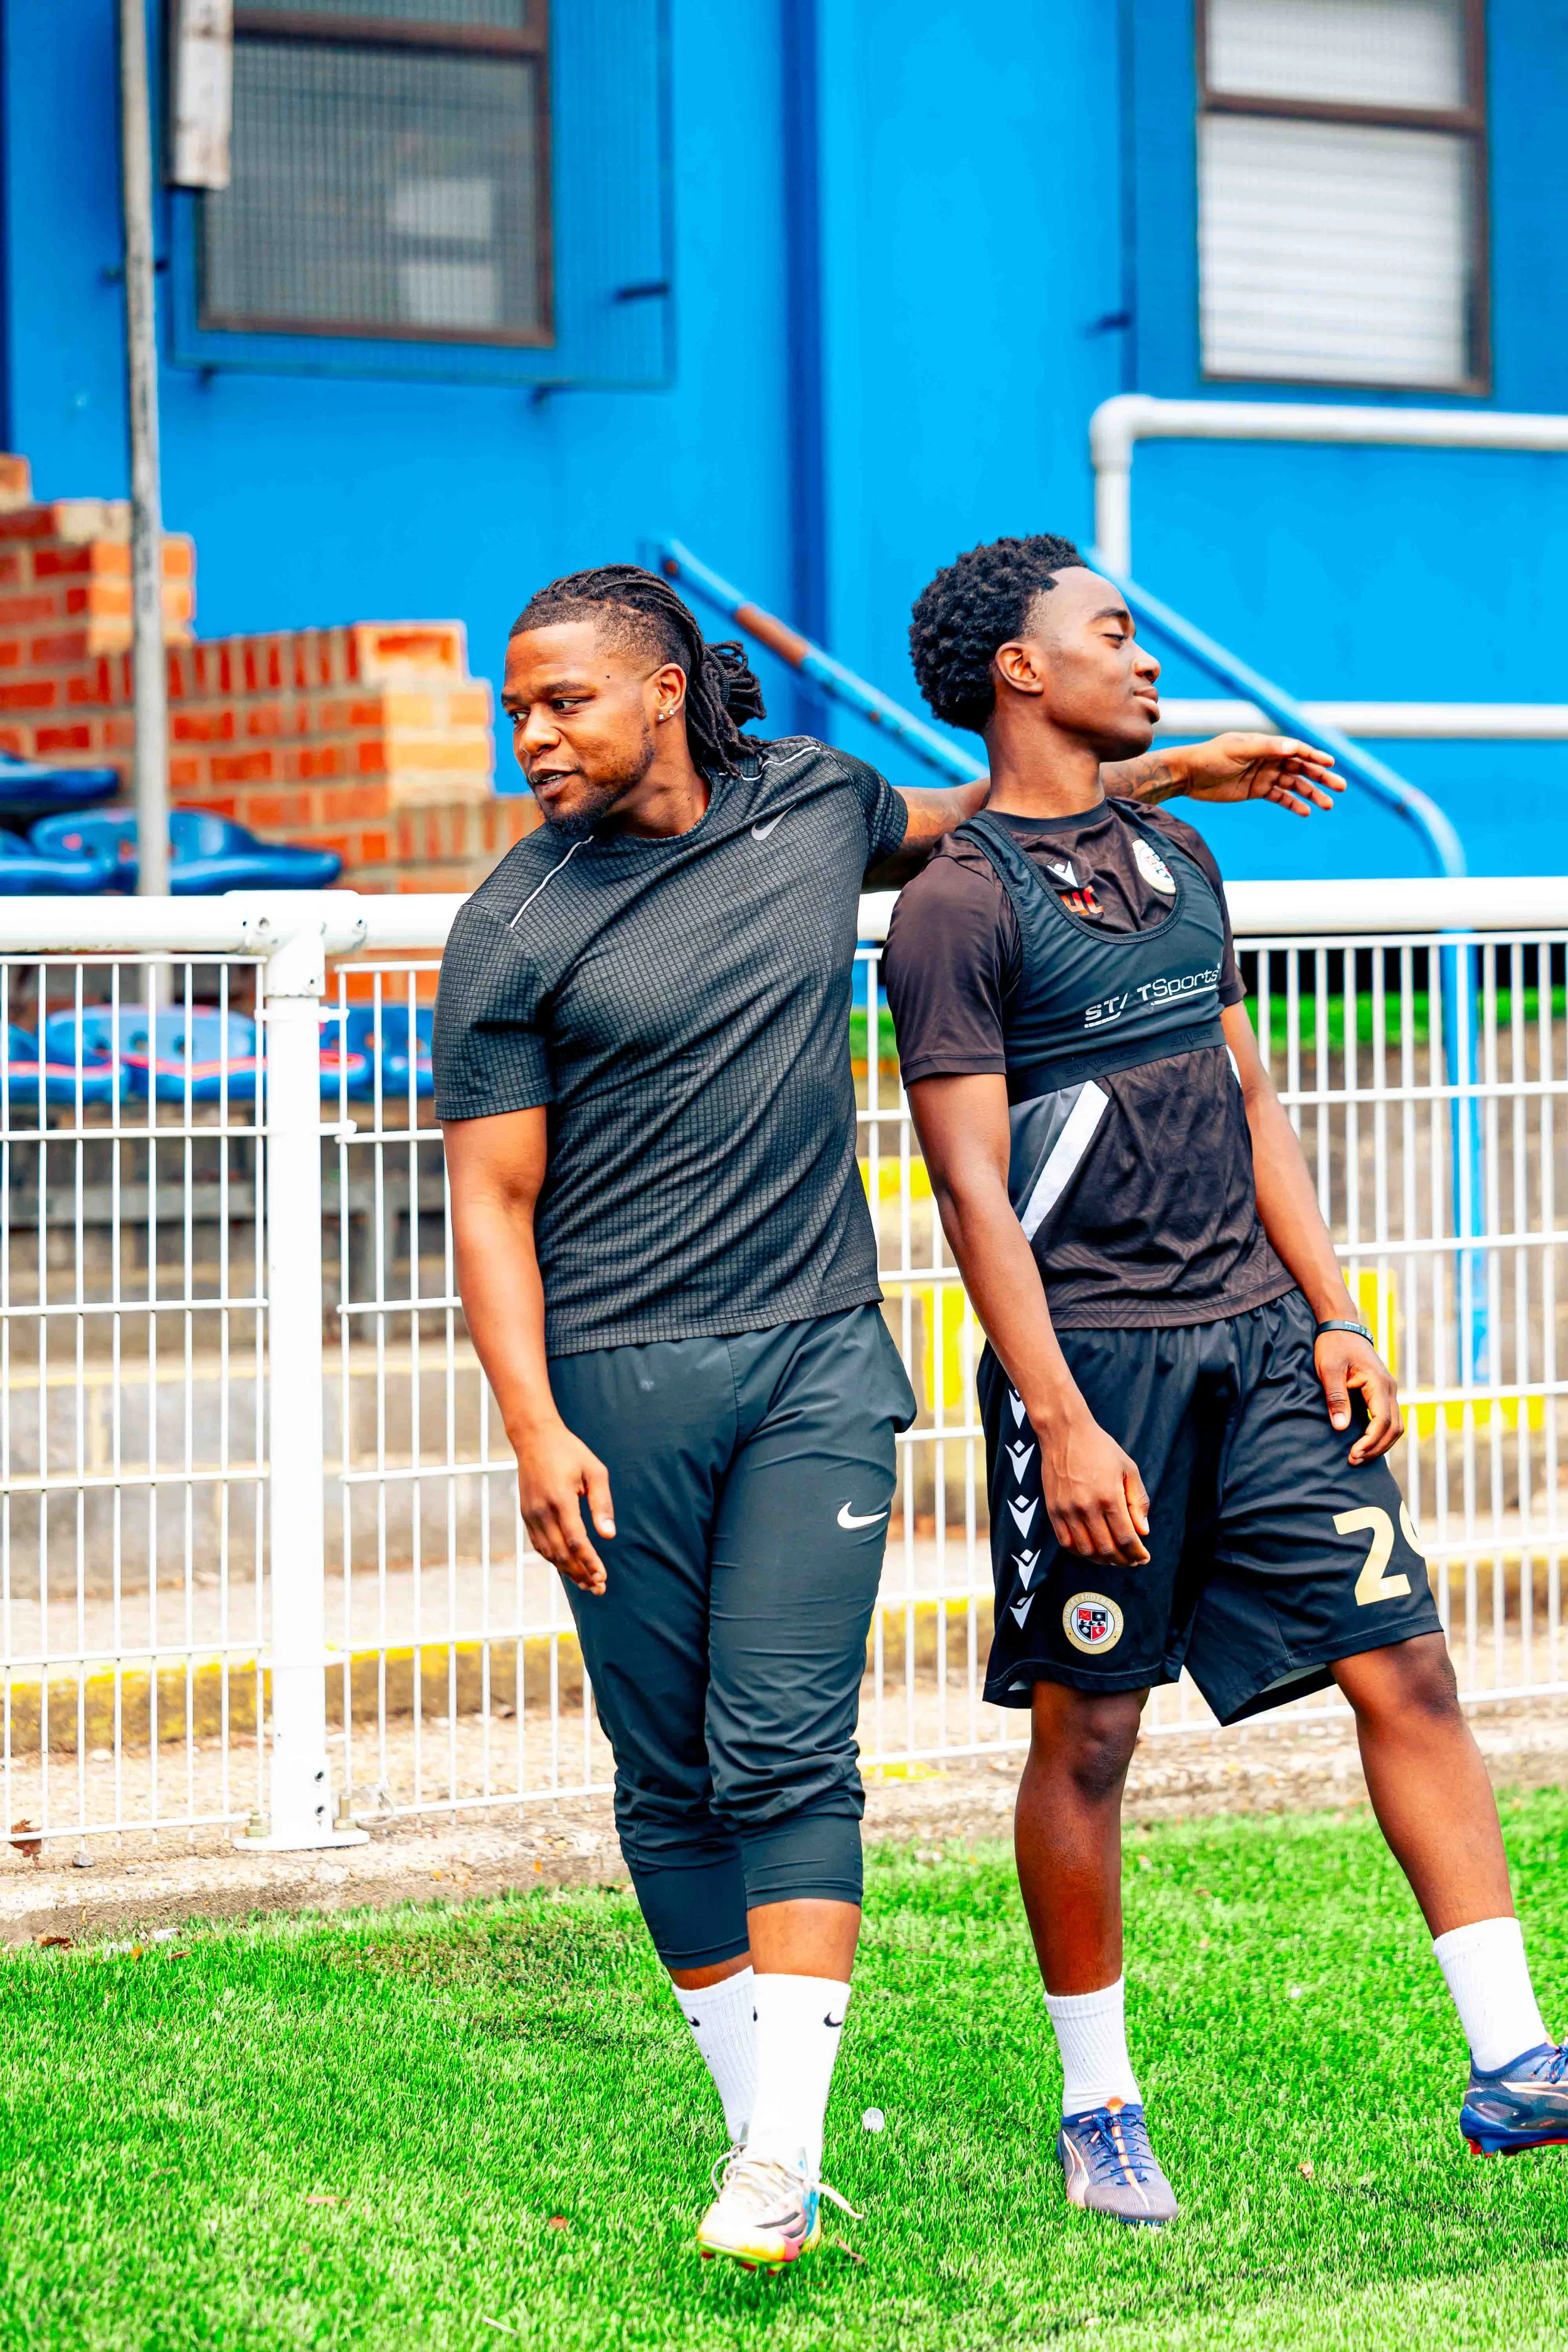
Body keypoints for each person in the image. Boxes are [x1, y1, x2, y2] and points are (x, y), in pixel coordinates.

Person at [434, 561, 1342, 2269]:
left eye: (560, 698)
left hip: (815, 1367)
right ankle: (756, 2121)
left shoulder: (807, 803)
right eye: (515, 708)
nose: (532, 733)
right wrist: (531, 1423)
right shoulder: (512, 923)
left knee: (783, 1738)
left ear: (659, 689)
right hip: (614, 1381)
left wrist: (1160, 773)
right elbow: (490, 1204)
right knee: (666, 1773)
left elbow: (974, 817)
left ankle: (775, 2164)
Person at [881, 534, 1567, 2228]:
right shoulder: (958, 910)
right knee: (1092, 1736)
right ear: (1018, 672)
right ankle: (1096, 2102)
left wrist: (1333, 1309)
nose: (1145, 659)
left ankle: (1513, 2056)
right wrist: (1058, 1418)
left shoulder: (1181, 853)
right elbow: (971, 1186)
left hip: (1262, 1343)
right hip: (1092, 1374)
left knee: (1403, 1664)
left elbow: (1248, 1092)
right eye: (1108, 634)